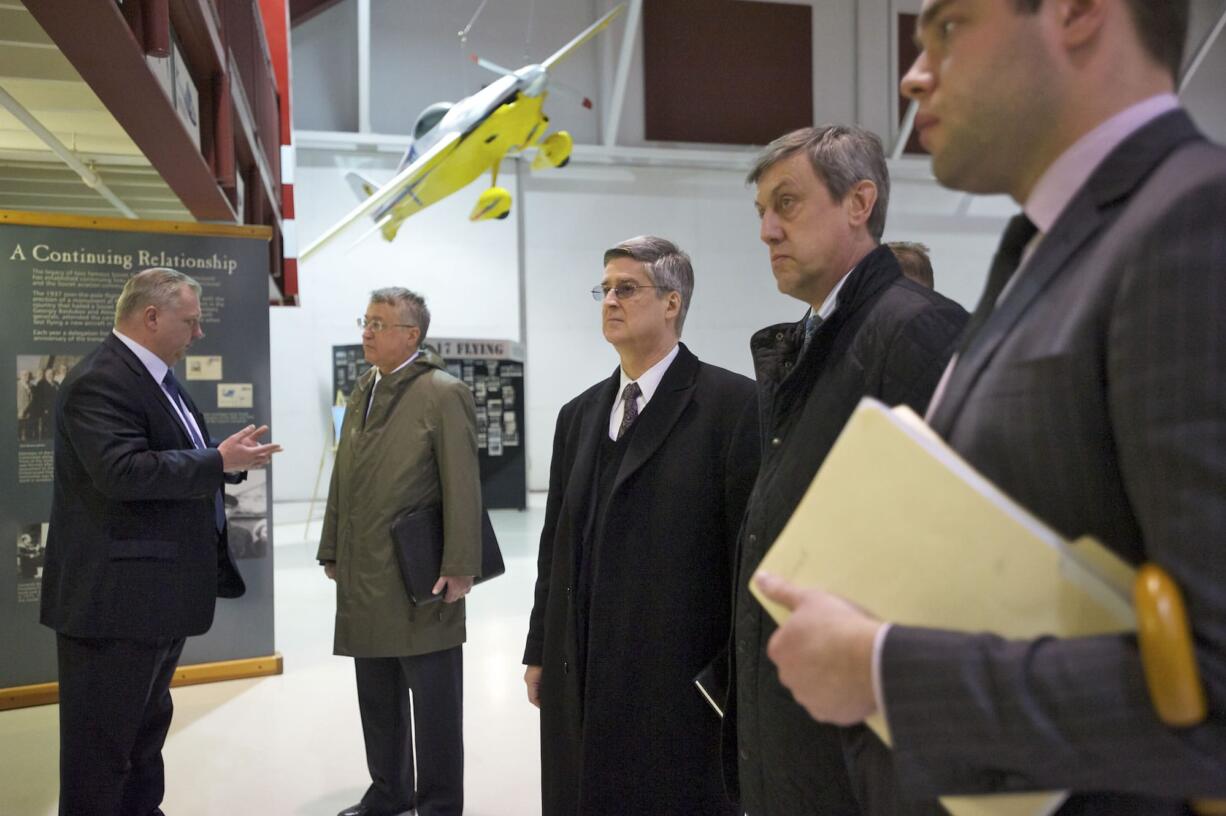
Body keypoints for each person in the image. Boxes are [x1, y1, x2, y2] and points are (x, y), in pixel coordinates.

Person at [756, 0, 1226, 810]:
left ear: (1079, 13)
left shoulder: (1194, 226)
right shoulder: (1047, 247)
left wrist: (883, 670)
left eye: (947, 27)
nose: (913, 74)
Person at [732, 125, 968, 815]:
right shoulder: (814, 340)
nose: (768, 231)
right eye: (761, 214)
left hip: (855, 742)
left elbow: (946, 557)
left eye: (788, 204)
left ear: (859, 202)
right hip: (798, 717)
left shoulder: (914, 332)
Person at [523, 236, 759, 815]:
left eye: (626, 288)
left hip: (675, 681)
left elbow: (747, 559)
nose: (609, 301)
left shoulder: (733, 407)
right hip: (580, 664)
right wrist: (538, 650)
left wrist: (733, 679)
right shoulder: (578, 415)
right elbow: (555, 546)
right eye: (604, 289)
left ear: (672, 302)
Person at [40, 266, 280, 816]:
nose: (198, 334)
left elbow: (164, 454)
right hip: (115, 604)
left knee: (144, 733)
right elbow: (122, 472)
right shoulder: (102, 379)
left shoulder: (151, 377)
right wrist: (217, 460)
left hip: (152, 599)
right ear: (152, 317)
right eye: (190, 322)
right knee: (101, 749)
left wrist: (221, 458)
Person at [319, 287, 482, 816]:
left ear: (411, 335)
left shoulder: (442, 392)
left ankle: (438, 805)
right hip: (364, 573)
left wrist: (460, 566)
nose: (366, 331)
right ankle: (389, 792)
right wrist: (331, 546)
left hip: (421, 575)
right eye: (365, 320)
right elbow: (343, 476)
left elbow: (463, 484)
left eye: (379, 323)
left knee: (434, 705)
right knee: (377, 695)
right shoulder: (361, 389)